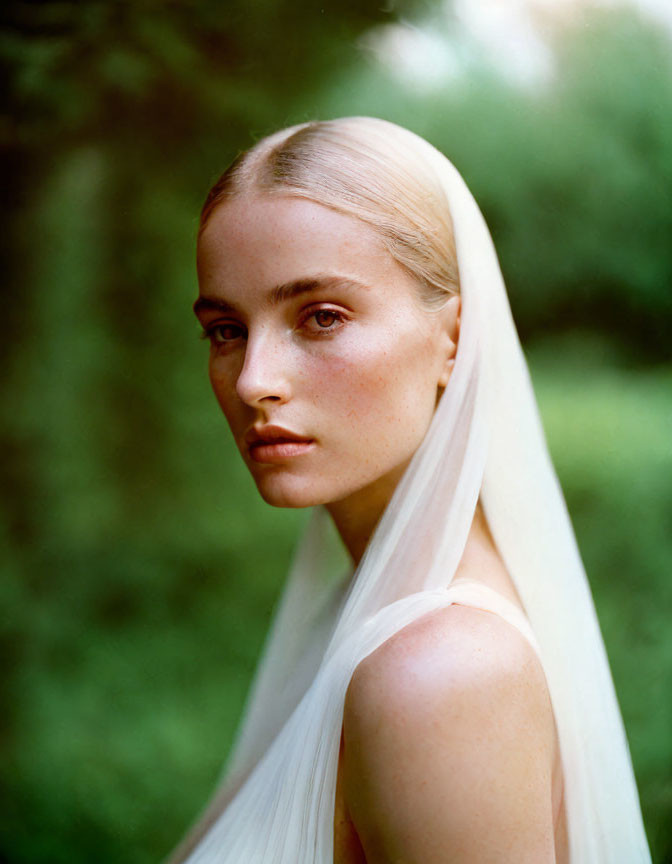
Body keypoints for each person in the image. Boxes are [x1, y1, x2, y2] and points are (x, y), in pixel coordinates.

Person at [169, 117, 650, 863]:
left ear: (454, 339)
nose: (255, 380)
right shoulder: (368, 604)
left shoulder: (438, 676)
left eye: (320, 317)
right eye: (226, 330)